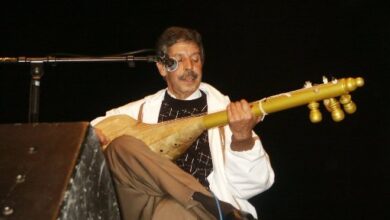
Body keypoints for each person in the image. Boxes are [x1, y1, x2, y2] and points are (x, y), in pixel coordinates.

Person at [91, 26, 274, 220]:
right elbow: (91, 132)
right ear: (162, 67)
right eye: (179, 60)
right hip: (148, 206)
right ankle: (215, 206)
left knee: (169, 209)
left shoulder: (228, 114)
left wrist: (242, 138)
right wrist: (91, 139)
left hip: (188, 215)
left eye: (195, 59)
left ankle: (209, 205)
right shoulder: (139, 112)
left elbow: (256, 184)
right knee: (120, 146)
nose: (189, 67)